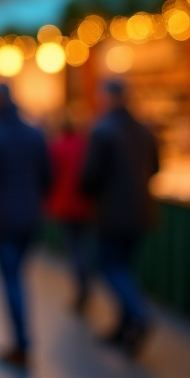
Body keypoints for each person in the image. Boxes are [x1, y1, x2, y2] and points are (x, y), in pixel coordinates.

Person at [0, 83, 50, 369]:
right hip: (29, 216)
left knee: (11, 279)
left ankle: (21, 342)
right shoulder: (36, 134)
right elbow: (46, 176)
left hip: (2, 218)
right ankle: (21, 340)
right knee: (19, 276)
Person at [80, 78, 160, 357]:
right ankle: (124, 327)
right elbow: (156, 167)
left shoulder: (102, 131)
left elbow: (90, 176)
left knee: (111, 266)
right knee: (125, 266)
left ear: (108, 98)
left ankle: (138, 316)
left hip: (112, 212)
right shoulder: (145, 130)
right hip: (141, 211)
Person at [45, 115, 93, 313]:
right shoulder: (85, 146)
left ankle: (82, 287)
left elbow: (49, 175)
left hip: (66, 204)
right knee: (83, 245)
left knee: (74, 247)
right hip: (86, 204)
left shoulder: (57, 147)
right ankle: (85, 284)